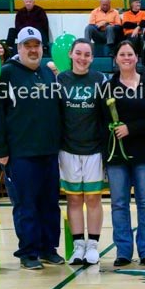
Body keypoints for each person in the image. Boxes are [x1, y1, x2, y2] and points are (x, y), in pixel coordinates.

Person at [0, 27, 63, 270]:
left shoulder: (47, 72)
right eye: (27, 45)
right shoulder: (5, 74)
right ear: (18, 48)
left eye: (37, 45)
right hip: (20, 154)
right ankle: (28, 252)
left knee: (50, 203)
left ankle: (47, 248)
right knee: (26, 204)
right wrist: (0, 149)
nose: (33, 50)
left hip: (49, 151)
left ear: (42, 47)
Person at [106, 40, 145, 267]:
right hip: (117, 156)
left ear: (136, 57)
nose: (126, 58)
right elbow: (103, 119)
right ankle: (123, 251)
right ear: (116, 58)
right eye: (122, 54)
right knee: (119, 203)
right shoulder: (108, 87)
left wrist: (130, 128)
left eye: (130, 54)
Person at [57, 39, 108, 266]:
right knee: (74, 198)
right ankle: (78, 245)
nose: (82, 58)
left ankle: (93, 246)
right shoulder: (60, 80)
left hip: (94, 149)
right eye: (78, 53)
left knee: (93, 198)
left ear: (92, 58)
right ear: (70, 54)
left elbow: (107, 114)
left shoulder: (100, 80)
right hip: (68, 148)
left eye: (87, 54)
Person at [121, 0, 145, 65]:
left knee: (144, 41)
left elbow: (144, 22)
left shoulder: (143, 13)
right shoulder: (126, 14)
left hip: (142, 34)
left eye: (139, 2)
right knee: (134, 38)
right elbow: (126, 24)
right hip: (129, 34)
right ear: (132, 4)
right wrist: (138, 24)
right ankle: (133, 62)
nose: (139, 4)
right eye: (137, 2)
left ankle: (144, 65)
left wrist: (137, 28)